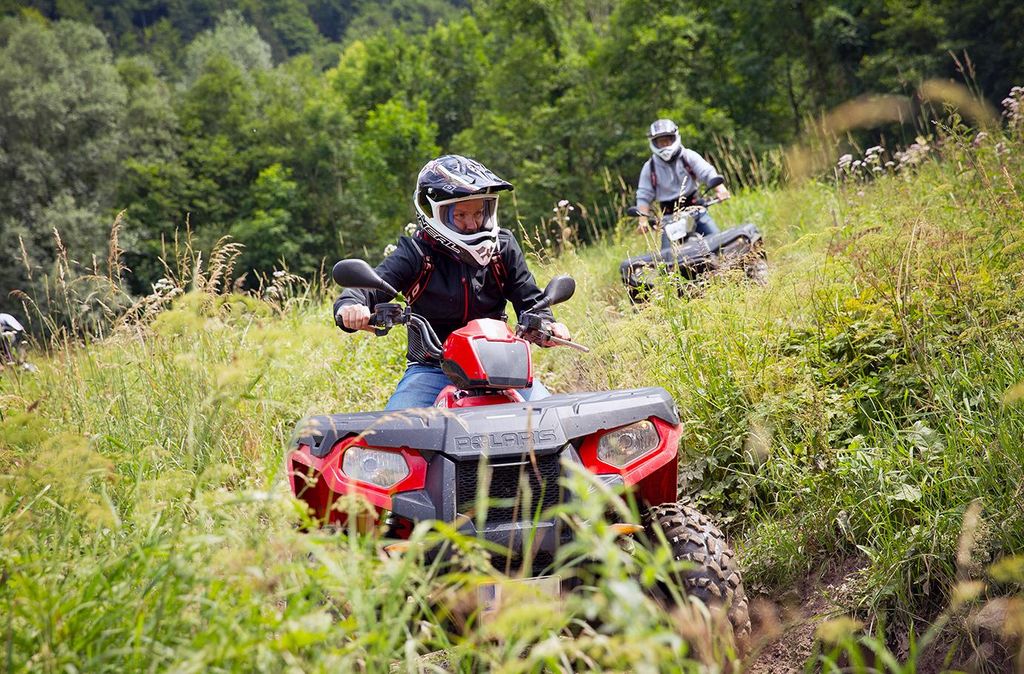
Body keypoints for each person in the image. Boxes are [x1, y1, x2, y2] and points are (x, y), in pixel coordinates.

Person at [335, 154, 571, 410]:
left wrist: (547, 324)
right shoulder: (416, 253)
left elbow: (530, 299)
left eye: (479, 212)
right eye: (460, 215)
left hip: (500, 366)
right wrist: (350, 306)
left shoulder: (502, 249)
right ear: (434, 213)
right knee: (394, 433)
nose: (472, 223)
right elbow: (368, 289)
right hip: (433, 369)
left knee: (552, 420)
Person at [635, 119, 731, 248]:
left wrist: (721, 189)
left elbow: (707, 173)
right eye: (660, 142)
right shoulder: (649, 168)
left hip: (696, 211)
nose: (665, 145)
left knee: (719, 245)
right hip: (668, 219)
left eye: (667, 140)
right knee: (667, 260)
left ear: (675, 138)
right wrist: (643, 220)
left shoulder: (688, 156)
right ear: (654, 143)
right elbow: (643, 195)